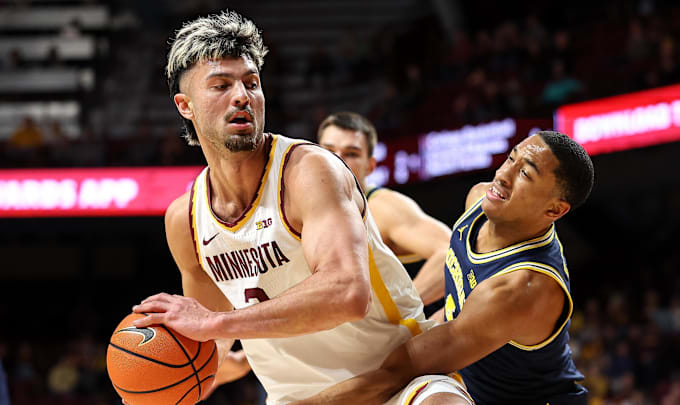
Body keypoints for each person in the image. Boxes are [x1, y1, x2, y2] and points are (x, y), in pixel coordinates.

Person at [129, 11, 471, 405]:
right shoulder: (184, 220)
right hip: (296, 398)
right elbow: (213, 345)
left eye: (251, 83)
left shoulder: (308, 171)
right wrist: (156, 378)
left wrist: (216, 322)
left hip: (396, 379)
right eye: (221, 85)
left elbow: (347, 293)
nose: (242, 95)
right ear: (185, 106)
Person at [292, 131, 594, 405]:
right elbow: (456, 313)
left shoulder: (520, 287)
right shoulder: (479, 199)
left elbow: (404, 368)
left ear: (554, 209)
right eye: (511, 158)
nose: (503, 175)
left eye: (525, 174)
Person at [317, 112, 451, 312]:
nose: (337, 159)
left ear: (370, 166)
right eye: (328, 150)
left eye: (351, 153)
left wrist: (401, 308)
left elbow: (451, 252)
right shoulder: (301, 206)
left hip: (385, 337)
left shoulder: (382, 207)